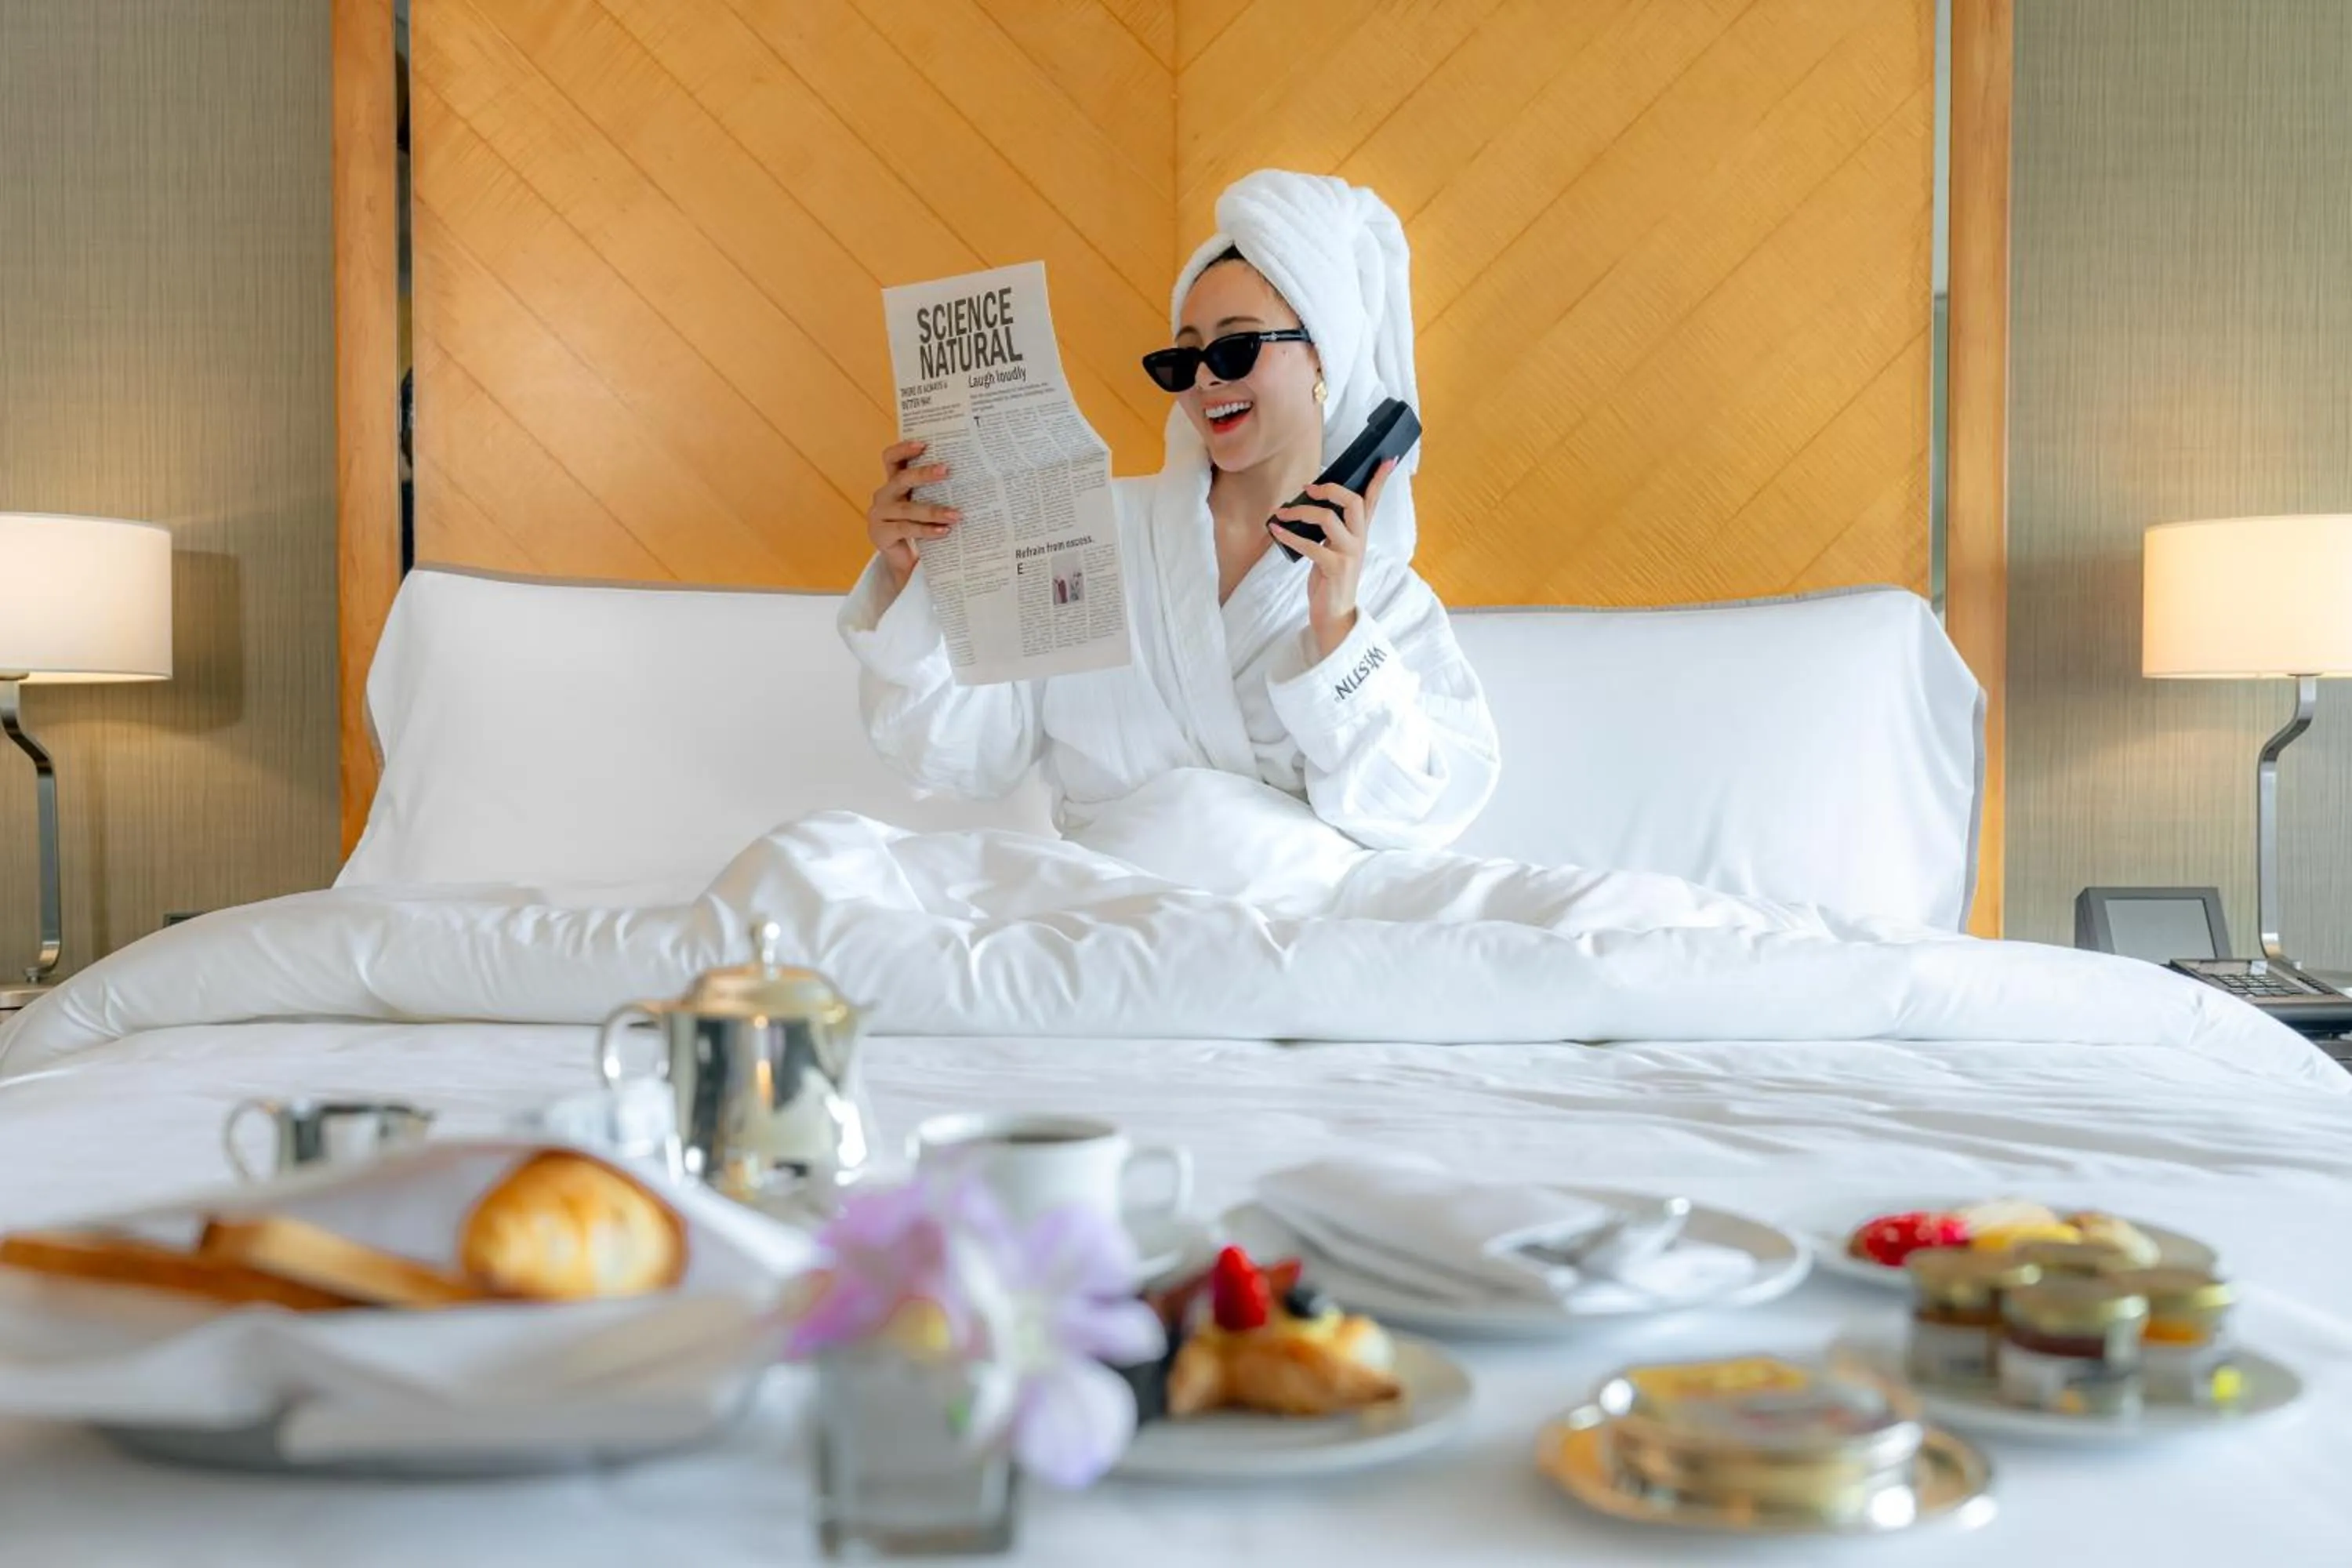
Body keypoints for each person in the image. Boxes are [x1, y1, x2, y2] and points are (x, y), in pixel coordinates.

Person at [839, 170, 1499, 852]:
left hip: (1286, 925)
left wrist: (1337, 631)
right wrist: (915, 578)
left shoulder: (1381, 594)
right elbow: (965, 754)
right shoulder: (1089, 534)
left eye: (1237, 347)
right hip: (1107, 911)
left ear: (1321, 357)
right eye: (1182, 360)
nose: (1207, 379)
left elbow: (1419, 816)